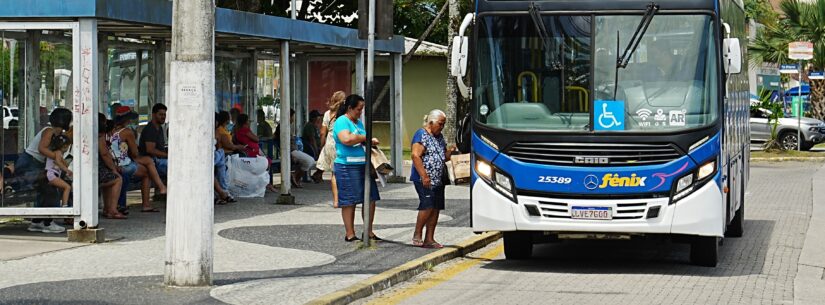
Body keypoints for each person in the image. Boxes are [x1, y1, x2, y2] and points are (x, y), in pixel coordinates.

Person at [333, 94, 381, 242]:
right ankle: (350, 233)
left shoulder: (359, 123)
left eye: (362, 109)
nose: (360, 112)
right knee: (349, 200)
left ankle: (368, 230)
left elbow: (359, 139)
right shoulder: (342, 121)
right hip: (347, 165)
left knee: (370, 198)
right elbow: (346, 139)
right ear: (350, 108)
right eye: (358, 109)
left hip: (363, 164)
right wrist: (366, 138)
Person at [410, 109, 456, 249]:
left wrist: (451, 152)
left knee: (435, 208)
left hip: (438, 179)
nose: (441, 127)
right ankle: (417, 233)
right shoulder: (421, 134)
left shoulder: (439, 137)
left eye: (443, 125)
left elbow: (443, 156)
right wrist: (424, 175)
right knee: (427, 205)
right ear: (431, 122)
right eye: (440, 124)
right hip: (424, 178)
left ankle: (429, 238)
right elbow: (415, 155)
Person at [22, 108, 72, 234]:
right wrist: (57, 158)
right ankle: (48, 222)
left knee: (44, 191)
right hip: (30, 163)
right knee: (50, 191)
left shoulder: (55, 133)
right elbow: (41, 149)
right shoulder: (49, 131)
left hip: (34, 163)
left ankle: (37, 221)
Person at [109, 106, 167, 213]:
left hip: (114, 162)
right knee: (147, 169)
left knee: (148, 163)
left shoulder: (111, 130)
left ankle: (160, 188)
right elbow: (135, 153)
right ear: (127, 119)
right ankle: (151, 199)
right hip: (124, 163)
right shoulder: (127, 132)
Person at [234, 113, 278, 193]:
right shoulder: (245, 130)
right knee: (267, 162)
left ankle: (266, 183)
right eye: (248, 120)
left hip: (250, 152)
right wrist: (250, 129)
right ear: (245, 122)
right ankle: (267, 183)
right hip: (252, 153)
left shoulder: (238, 130)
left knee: (267, 162)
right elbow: (256, 139)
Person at [275, 109, 319, 188]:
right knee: (309, 161)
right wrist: (289, 154)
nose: (293, 119)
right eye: (292, 117)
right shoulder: (283, 127)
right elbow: (283, 142)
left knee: (308, 161)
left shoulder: (287, 127)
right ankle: (295, 177)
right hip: (291, 151)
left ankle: (295, 178)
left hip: (294, 150)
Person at [317, 91, 346, 207]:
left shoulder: (327, 114)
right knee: (343, 171)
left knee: (334, 173)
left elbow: (322, 132)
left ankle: (335, 200)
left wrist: (322, 145)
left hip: (329, 142)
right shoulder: (344, 114)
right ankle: (343, 198)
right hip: (340, 142)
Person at [98, 113, 125, 219]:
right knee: (117, 179)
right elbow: (104, 154)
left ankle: (107, 208)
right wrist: (114, 169)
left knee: (109, 179)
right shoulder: (99, 135)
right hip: (95, 171)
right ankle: (112, 210)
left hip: (90, 169)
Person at [216, 111, 244, 200]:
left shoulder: (224, 129)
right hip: (225, 154)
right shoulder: (220, 130)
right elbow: (228, 145)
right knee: (223, 172)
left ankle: (225, 190)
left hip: (227, 153)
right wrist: (238, 146)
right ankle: (224, 190)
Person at [138, 103, 168, 177]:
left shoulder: (160, 128)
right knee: (176, 165)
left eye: (164, 115)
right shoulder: (150, 129)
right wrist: (168, 155)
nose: (163, 117)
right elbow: (150, 149)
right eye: (160, 114)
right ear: (153, 115)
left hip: (159, 160)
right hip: (153, 162)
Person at [44, 134, 72, 208]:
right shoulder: (58, 152)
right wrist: (67, 170)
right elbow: (57, 162)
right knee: (67, 187)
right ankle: (64, 205)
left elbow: (62, 162)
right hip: (52, 174)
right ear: (65, 146)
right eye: (68, 146)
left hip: (52, 174)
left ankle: (61, 203)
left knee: (60, 190)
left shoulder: (57, 153)